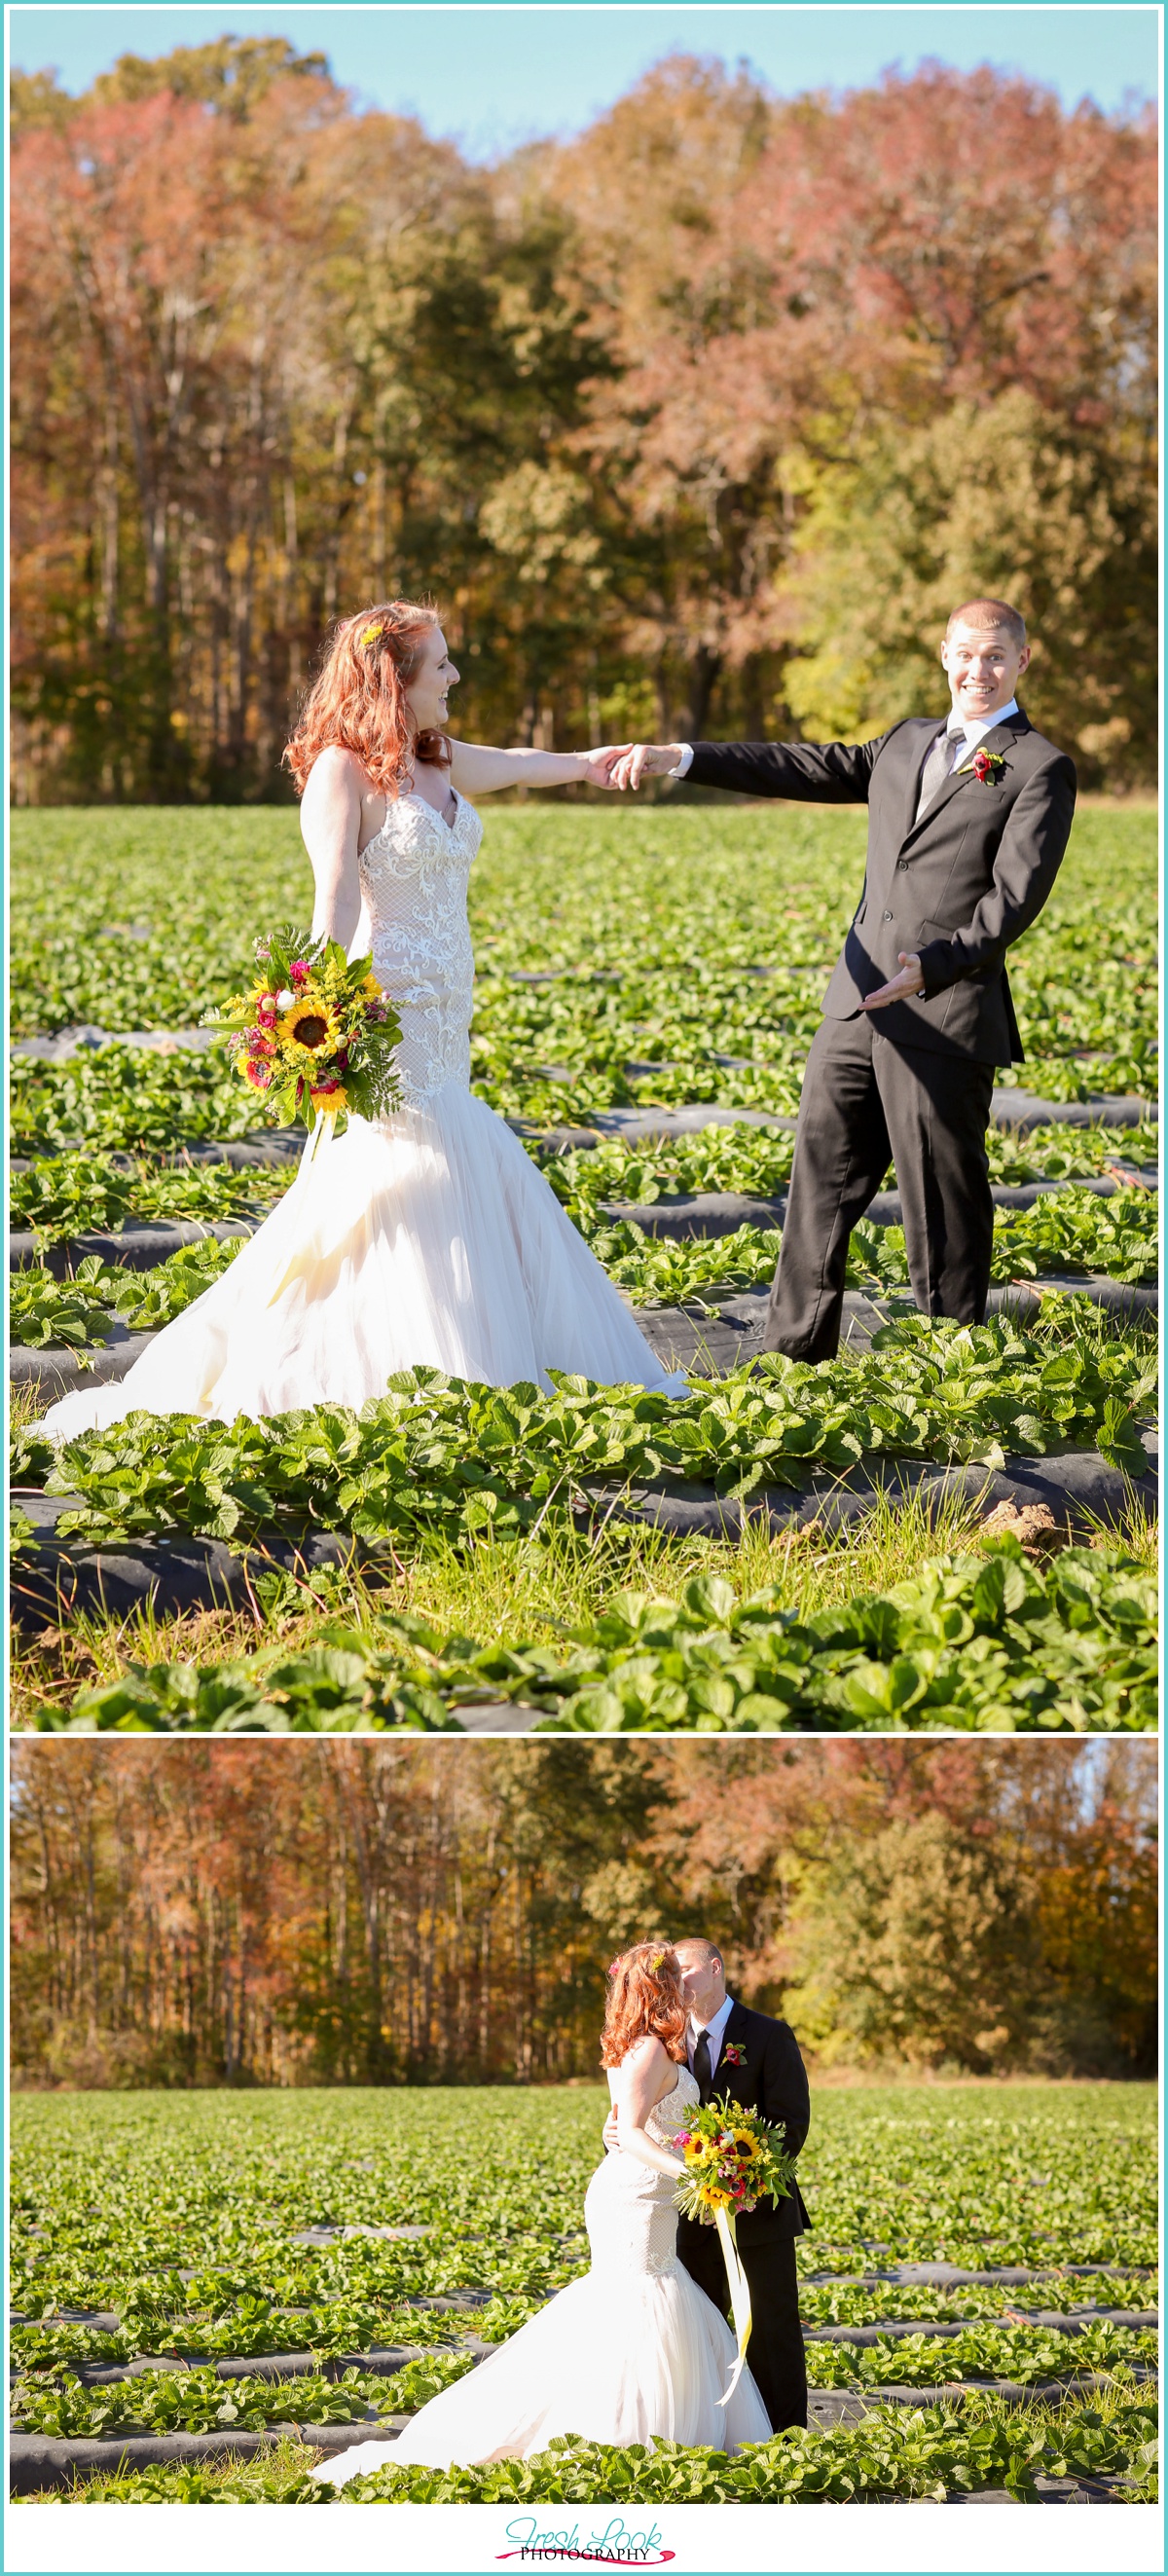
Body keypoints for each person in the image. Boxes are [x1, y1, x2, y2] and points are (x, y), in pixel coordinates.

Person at [39, 602, 684, 1438]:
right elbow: (334, 900)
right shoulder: (342, 773)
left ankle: (484, 1369)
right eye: (441, 663)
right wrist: (313, 1012)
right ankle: (394, 1373)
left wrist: (589, 766)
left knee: (459, 1172)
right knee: (400, 1186)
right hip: (390, 1022)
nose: (454, 676)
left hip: (450, 1024)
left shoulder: (437, 757)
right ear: (394, 677)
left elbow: (519, 764)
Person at [600, 602, 1077, 1360]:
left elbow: (1015, 897)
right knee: (819, 1182)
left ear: (1023, 661)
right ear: (943, 654)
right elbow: (801, 764)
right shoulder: (905, 741)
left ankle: (953, 1364)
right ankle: (794, 1353)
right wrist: (679, 756)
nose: (977, 672)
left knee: (941, 1201)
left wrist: (939, 964)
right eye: (966, 655)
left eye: (995, 658)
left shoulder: (1038, 765)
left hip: (943, 1011)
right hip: (855, 1007)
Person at [320, 1943, 774, 2481]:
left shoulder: (640, 2047)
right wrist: (692, 2172)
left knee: (656, 2295)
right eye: (674, 1979)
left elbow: (636, 2125)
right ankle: (618, 2429)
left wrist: (708, 2152)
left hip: (646, 2192)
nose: (683, 1988)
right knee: (641, 2298)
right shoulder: (649, 2050)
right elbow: (628, 2133)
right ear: (658, 1989)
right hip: (632, 2196)